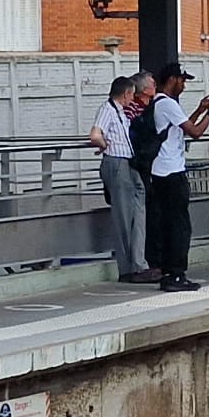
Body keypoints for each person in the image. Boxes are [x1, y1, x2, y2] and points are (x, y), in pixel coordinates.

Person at [145, 62, 209, 292]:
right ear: (173, 79)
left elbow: (181, 127)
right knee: (179, 226)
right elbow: (195, 132)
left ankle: (168, 271)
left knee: (167, 223)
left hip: (160, 172)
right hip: (171, 173)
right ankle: (177, 274)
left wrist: (198, 110)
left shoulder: (159, 103)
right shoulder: (167, 103)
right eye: (182, 80)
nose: (184, 85)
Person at [90, 75, 155, 284]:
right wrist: (103, 145)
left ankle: (138, 262)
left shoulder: (119, 112)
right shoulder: (107, 109)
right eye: (131, 94)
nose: (132, 99)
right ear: (126, 93)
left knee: (138, 208)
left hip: (128, 162)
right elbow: (95, 134)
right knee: (124, 217)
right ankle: (129, 268)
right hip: (117, 162)